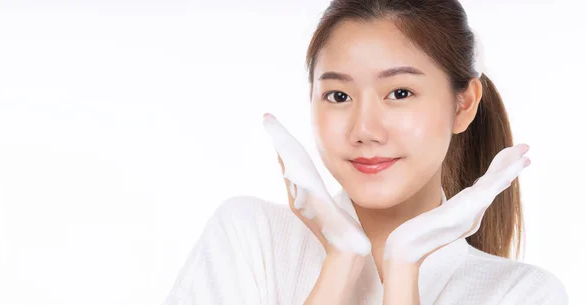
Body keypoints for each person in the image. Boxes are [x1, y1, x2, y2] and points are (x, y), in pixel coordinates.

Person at [161, 0, 569, 304]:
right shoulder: (249, 238)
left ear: (463, 105)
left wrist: (405, 266)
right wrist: (341, 261)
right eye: (338, 95)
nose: (364, 130)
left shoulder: (521, 294)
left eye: (400, 92)